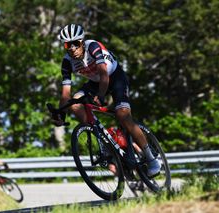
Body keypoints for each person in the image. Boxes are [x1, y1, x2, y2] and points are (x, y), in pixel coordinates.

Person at [52, 23, 161, 177]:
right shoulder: (67, 62)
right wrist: (60, 114)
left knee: (123, 114)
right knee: (75, 104)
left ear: (82, 42)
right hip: (95, 83)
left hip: (115, 78)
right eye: (67, 45)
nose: (72, 48)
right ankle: (102, 139)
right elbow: (65, 94)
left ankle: (151, 158)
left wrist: (101, 96)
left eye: (75, 43)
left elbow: (104, 74)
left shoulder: (93, 47)